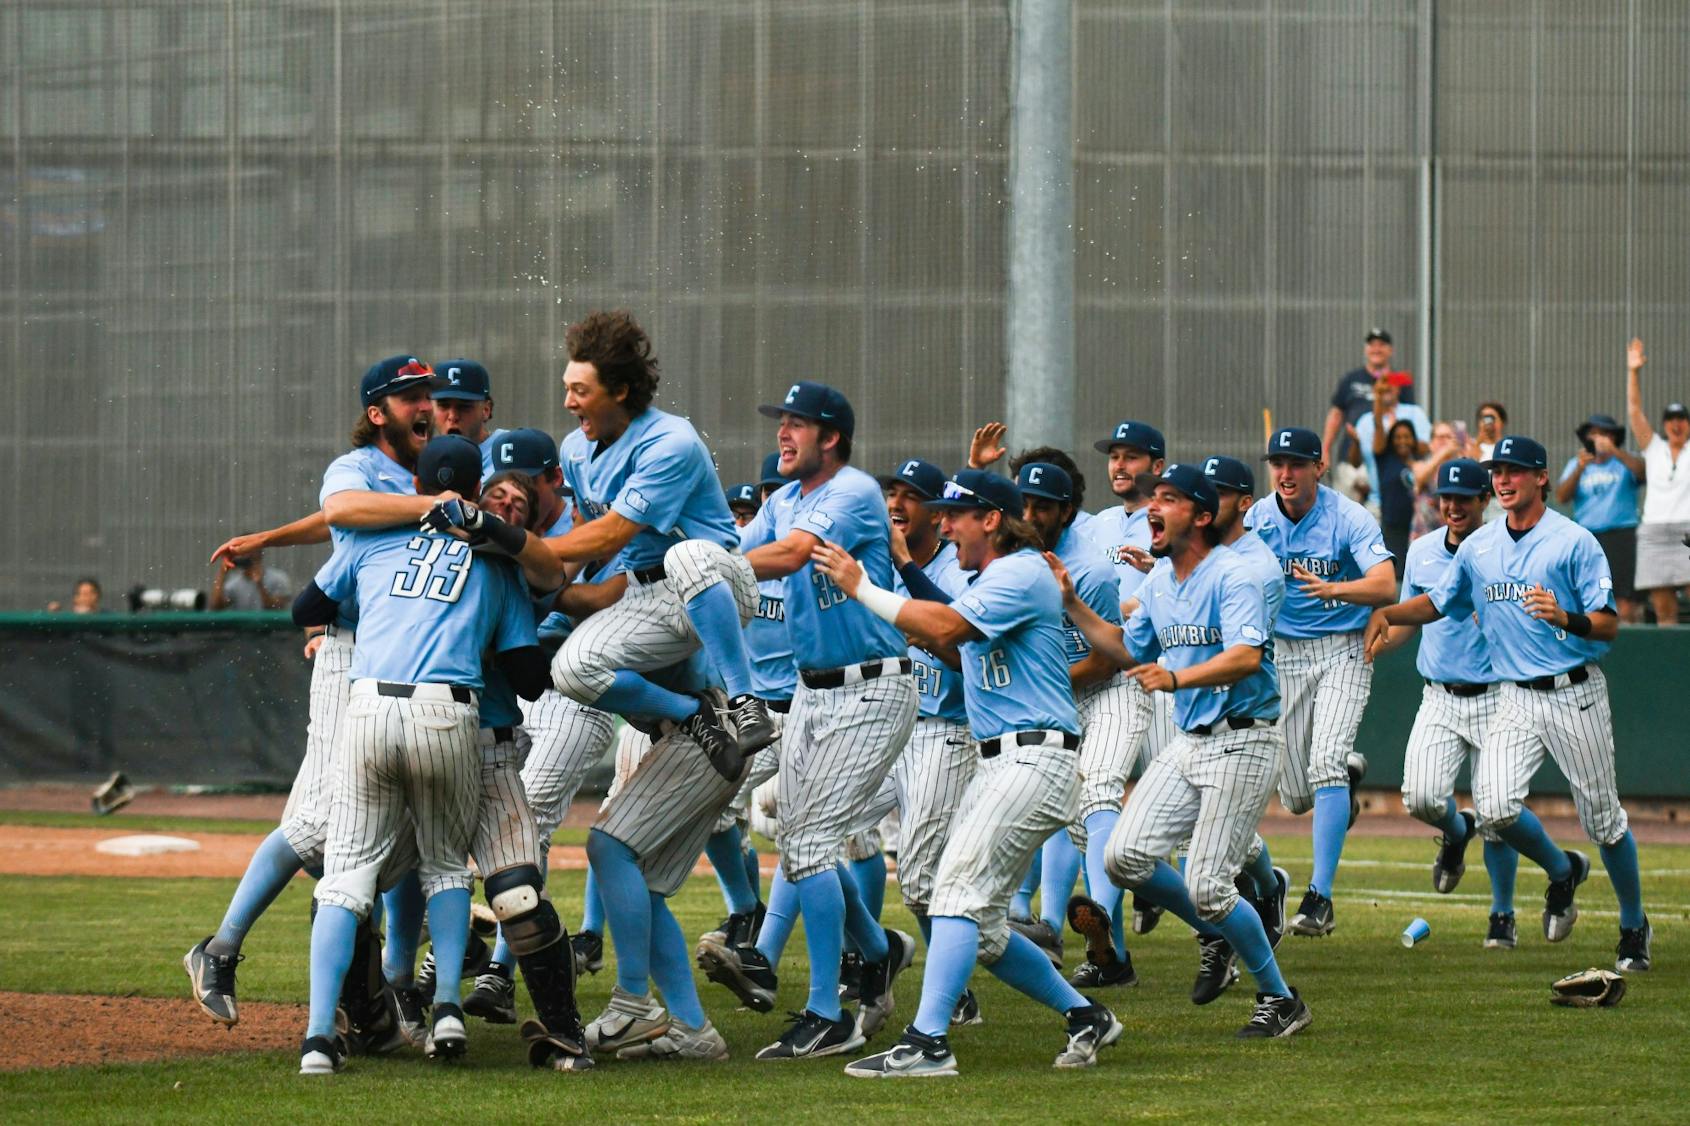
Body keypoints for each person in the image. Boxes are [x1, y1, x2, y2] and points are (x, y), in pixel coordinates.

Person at [811, 469, 1123, 1077]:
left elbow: (949, 627)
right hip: (1010, 758)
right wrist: (900, 579)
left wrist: (861, 586)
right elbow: (956, 645)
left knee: (952, 894)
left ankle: (928, 1041)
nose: (944, 523)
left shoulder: (1020, 570)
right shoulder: (999, 577)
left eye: (955, 514)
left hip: (1032, 757)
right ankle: (1086, 1014)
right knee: (977, 925)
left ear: (991, 520)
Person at [289, 435, 550, 1075]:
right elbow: (528, 679)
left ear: (417, 485)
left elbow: (306, 608)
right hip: (449, 712)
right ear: (477, 489)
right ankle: (450, 1011)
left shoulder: (372, 540)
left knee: (346, 879)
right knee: (443, 867)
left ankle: (320, 1037)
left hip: (369, 707)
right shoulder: (495, 562)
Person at [1366, 435, 1652, 974]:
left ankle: (1634, 925)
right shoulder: (1479, 546)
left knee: (1603, 821)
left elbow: (1610, 623)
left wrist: (1565, 617)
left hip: (1575, 692)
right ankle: (1563, 873)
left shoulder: (1574, 542)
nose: (1503, 478)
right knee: (1494, 808)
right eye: (1497, 470)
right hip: (1515, 697)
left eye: (1514, 470)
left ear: (1541, 478)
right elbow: (1442, 602)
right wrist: (1392, 614)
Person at [696, 380, 919, 1060]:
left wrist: (711, 563)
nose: (783, 434)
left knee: (813, 843)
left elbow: (786, 557)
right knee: (800, 840)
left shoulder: (849, 492)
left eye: (797, 424)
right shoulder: (786, 497)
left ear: (832, 438)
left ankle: (829, 1011)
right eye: (781, 423)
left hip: (872, 688)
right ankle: (879, 953)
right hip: (814, 691)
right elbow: (742, 549)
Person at [1053, 463, 1310, 1039]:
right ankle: (1222, 930)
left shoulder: (1236, 574)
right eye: (1153, 497)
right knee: (1124, 859)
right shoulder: (1160, 582)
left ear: (1200, 515)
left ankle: (1281, 997)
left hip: (1244, 739)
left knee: (1211, 885)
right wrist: (1072, 603)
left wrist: (1174, 680)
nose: (1152, 506)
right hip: (1192, 744)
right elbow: (1122, 648)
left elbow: (1247, 656)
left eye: (1167, 498)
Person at [543, 310, 774, 765]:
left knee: (684, 556)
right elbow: (581, 536)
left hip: (721, 581)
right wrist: (540, 577)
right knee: (571, 671)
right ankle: (692, 714)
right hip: (646, 593)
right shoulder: (574, 448)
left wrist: (519, 544)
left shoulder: (671, 441)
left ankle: (747, 702)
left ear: (621, 391)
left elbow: (609, 536)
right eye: (568, 387)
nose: (569, 401)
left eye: (581, 390)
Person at [1244, 427, 1397, 938]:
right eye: (1278, 463)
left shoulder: (1347, 515)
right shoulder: (1258, 518)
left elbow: (1385, 583)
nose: (1285, 473)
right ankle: (1345, 783)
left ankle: (1320, 899)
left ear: (1319, 467)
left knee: (1326, 760)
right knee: (1294, 797)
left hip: (1343, 649)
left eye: (1296, 463)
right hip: (1283, 655)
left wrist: (1336, 587)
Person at [1367, 458, 1522, 948]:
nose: (1453, 506)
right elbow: (1411, 620)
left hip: (1497, 694)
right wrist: (1375, 645)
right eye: (1445, 498)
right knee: (1421, 797)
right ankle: (1457, 833)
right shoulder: (1422, 550)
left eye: (1464, 498)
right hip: (1439, 694)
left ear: (1484, 501)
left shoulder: (1504, 549)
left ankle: (1502, 914)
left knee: (1500, 816)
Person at [1007, 454, 1138, 991]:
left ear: (1067, 511)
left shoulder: (1090, 569)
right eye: (1026, 503)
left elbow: (1108, 657)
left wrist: (1041, 684)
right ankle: (1121, 950)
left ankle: (1100, 937)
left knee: (1100, 791)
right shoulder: (1011, 559)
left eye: (1045, 506)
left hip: (1112, 691)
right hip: (1057, 694)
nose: (1032, 513)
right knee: (1080, 825)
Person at [1625, 338, 1690, 624]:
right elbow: (1635, 412)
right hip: (1654, 532)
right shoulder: (1653, 448)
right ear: (1664, 424)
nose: (1677, 424)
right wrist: (1633, 371)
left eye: (1682, 419)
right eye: (1671, 419)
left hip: (1687, 530)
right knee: (1664, 612)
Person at [1556, 413, 1644, 623]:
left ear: (1613, 437)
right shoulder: (1576, 463)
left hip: (1621, 534)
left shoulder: (1624, 460)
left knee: (1623, 595)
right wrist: (1580, 468)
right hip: (1588, 535)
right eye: (1593, 434)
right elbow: (1561, 497)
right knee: (1586, 592)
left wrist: (1614, 452)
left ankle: (1626, 643)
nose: (1598, 438)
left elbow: (1643, 474)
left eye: (1604, 434)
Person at [1322, 327, 1418, 473]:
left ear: (1390, 350)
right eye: (1372, 345)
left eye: (1381, 345)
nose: (1376, 349)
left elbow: (1409, 419)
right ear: (1366, 349)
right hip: (1352, 458)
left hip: (1387, 462)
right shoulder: (1351, 379)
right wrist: (1325, 449)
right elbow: (1336, 415)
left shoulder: (1400, 380)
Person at [1356, 374, 1431, 507]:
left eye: (1391, 381)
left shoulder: (1415, 412)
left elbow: (1425, 449)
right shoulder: (1364, 421)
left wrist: (1398, 436)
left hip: (1414, 498)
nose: (1387, 385)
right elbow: (1358, 460)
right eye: (1382, 382)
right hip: (1377, 501)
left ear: (1398, 389)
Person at [432, 359, 507, 476]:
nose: (453, 416)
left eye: (464, 407)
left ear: (486, 410)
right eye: (443, 405)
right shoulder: (425, 457)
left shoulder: (509, 450)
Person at [1371, 419, 1423, 578]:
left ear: (1414, 439)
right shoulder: (1385, 461)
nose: (1402, 441)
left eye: (1407, 436)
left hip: (1418, 528)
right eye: (1398, 437)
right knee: (1397, 574)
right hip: (1393, 528)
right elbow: (1378, 426)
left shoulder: (1420, 463)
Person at [210, 549, 293, 611]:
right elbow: (216, 606)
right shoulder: (234, 583)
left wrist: (260, 584)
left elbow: (275, 607)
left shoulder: (278, 578)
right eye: (242, 553)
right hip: (243, 632)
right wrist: (222, 573)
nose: (246, 556)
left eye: (250, 552)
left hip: (276, 633)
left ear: (260, 553)